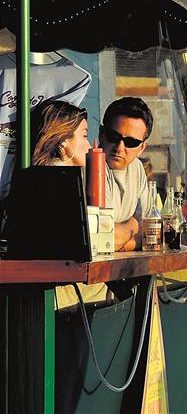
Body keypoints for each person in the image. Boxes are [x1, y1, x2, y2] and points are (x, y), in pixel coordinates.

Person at [30, 100, 107, 309]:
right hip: (56, 298)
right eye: (83, 135)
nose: (90, 146)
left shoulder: (44, 180)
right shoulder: (57, 185)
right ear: (64, 143)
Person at [100, 97, 154, 252]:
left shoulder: (137, 167)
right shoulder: (92, 166)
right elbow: (104, 239)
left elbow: (151, 234)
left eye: (131, 142)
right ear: (101, 133)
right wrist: (134, 224)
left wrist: (121, 240)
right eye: (113, 136)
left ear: (142, 148)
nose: (119, 147)